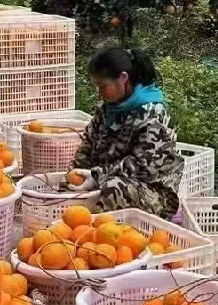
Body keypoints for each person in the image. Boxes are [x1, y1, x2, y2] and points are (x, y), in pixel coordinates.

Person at [70, 47, 184, 219]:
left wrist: (96, 176)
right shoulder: (108, 109)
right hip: (105, 179)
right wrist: (75, 174)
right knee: (70, 183)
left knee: (114, 188)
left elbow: (143, 168)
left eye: (103, 86)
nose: (100, 93)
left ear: (123, 78)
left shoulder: (153, 116)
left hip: (151, 193)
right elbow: (88, 144)